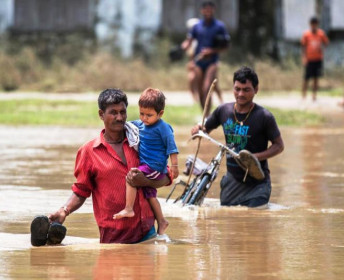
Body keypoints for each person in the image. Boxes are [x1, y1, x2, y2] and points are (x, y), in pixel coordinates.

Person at [46, 89, 171, 244]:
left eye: (122, 112)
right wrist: (64, 210)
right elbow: (81, 191)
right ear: (101, 114)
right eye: (113, 112)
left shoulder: (140, 141)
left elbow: (166, 176)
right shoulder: (89, 152)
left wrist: (145, 181)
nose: (119, 117)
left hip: (148, 233)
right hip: (113, 237)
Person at [191, 66, 284, 207]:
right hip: (232, 181)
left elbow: (279, 146)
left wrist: (255, 157)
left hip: (257, 184)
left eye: (246, 90)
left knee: (253, 219)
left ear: (256, 90)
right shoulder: (223, 110)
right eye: (237, 89)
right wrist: (198, 128)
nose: (240, 94)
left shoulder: (264, 116)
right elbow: (205, 128)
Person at [113, 88, 179, 236]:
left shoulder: (163, 128)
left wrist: (174, 166)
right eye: (141, 113)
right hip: (148, 166)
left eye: (149, 115)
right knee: (150, 195)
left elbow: (172, 147)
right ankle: (162, 220)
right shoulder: (141, 124)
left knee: (132, 177)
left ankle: (129, 208)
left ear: (160, 113)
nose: (144, 118)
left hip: (154, 166)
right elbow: (127, 124)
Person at [182, 1, 230, 112]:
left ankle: (208, 115)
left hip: (212, 61)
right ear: (202, 11)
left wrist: (212, 51)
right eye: (206, 9)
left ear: (214, 10)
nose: (208, 12)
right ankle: (204, 115)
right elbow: (188, 41)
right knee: (200, 90)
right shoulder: (197, 26)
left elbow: (226, 46)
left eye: (210, 9)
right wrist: (181, 49)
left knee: (207, 87)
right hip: (199, 61)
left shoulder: (219, 26)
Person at [301, 17, 329, 101]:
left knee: (316, 78)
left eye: (315, 24)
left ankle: (314, 95)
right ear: (310, 25)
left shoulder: (321, 34)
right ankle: (304, 95)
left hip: (318, 59)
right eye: (312, 24)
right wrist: (304, 57)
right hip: (309, 59)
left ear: (317, 24)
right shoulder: (306, 34)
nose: (314, 26)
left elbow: (326, 42)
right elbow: (303, 47)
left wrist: (322, 49)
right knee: (306, 78)